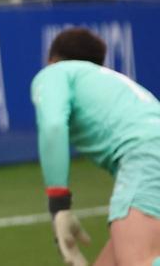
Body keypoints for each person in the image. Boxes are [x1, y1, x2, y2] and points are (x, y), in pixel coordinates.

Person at [31, 27, 160, 266]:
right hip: (151, 152)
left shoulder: (55, 73)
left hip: (145, 153)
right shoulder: (109, 82)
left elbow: (53, 126)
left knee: (136, 261)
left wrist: (59, 206)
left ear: (51, 60)